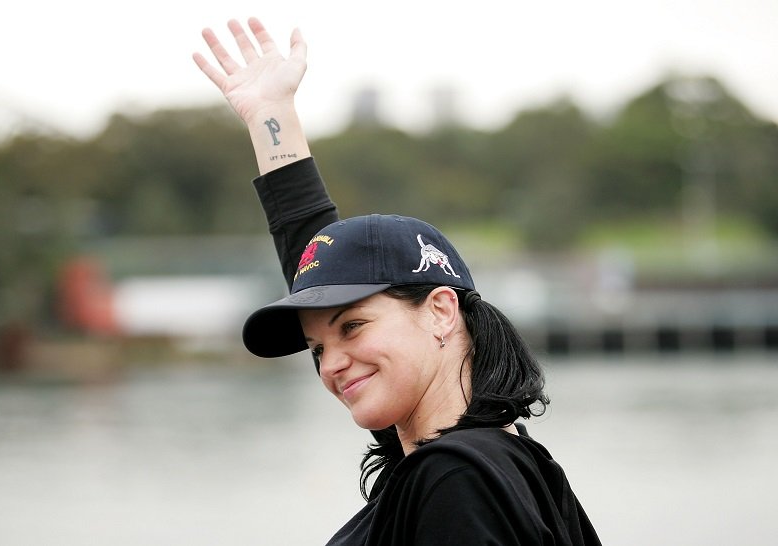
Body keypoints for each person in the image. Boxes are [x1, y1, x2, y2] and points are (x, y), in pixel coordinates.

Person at [194, 17, 601, 545]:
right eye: (316, 348)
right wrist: (271, 117)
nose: (331, 364)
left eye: (354, 327)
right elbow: (318, 261)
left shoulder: (457, 479)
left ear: (439, 310)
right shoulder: (500, 460)